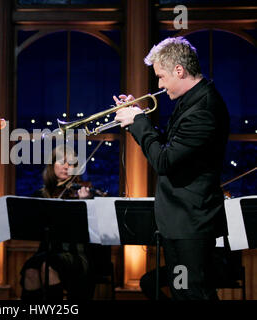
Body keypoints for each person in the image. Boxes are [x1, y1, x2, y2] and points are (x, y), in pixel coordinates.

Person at [114, 37, 230, 300]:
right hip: (180, 222)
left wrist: (139, 122)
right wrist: (136, 118)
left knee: (193, 294)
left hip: (191, 225)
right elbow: (169, 146)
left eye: (161, 76)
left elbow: (164, 161)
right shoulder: (191, 102)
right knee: (181, 293)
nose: (159, 85)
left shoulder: (204, 108)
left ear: (179, 70)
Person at [20, 145, 99, 301]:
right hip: (47, 251)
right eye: (62, 162)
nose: (66, 167)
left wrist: (85, 203)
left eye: (71, 164)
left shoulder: (81, 192)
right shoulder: (41, 194)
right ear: (51, 165)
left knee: (47, 267)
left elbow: (94, 228)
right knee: (30, 270)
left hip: (76, 254)